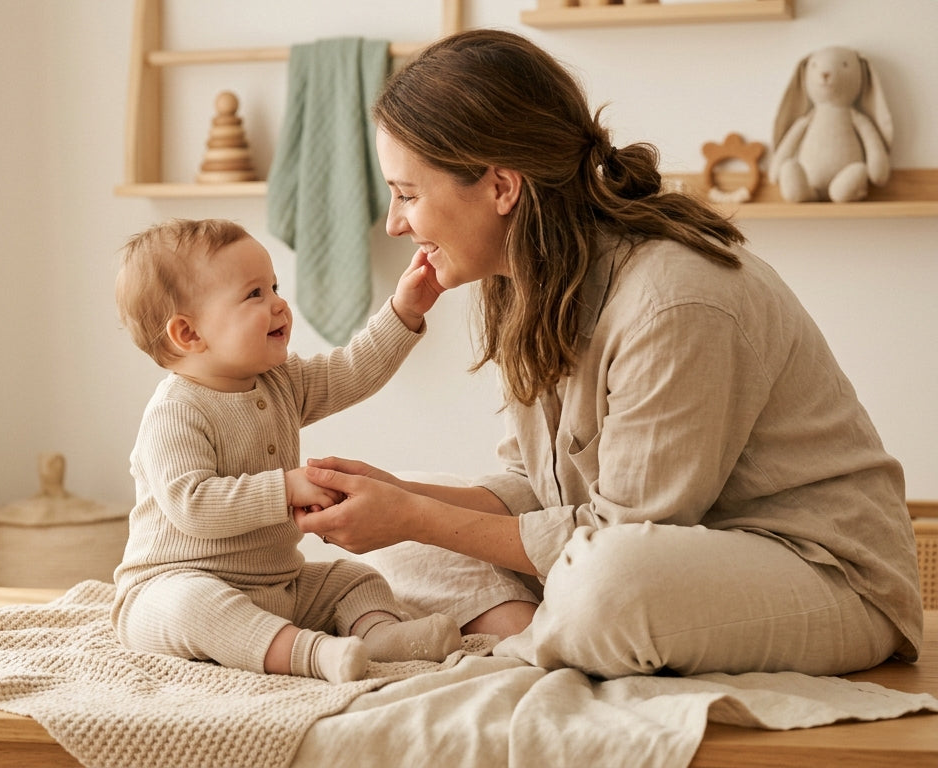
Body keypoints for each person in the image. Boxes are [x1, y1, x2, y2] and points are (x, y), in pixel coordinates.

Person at [293, 29, 922, 679]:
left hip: (824, 578)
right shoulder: (530, 281)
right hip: (643, 558)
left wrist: (416, 515)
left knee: (609, 582)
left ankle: (524, 650)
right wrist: (398, 498)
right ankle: (541, 641)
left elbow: (627, 536)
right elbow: (535, 489)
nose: (397, 223)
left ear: (502, 188)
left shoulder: (675, 300)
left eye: (408, 193)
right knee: (407, 543)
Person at [111, 218, 462, 683]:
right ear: (189, 334)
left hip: (276, 585)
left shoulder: (281, 382)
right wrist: (286, 488)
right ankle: (312, 654)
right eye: (254, 294)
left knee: (353, 578)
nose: (279, 303)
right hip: (170, 588)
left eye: (273, 286)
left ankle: (377, 636)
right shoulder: (176, 412)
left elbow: (352, 370)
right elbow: (192, 506)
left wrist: (404, 311)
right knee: (195, 605)